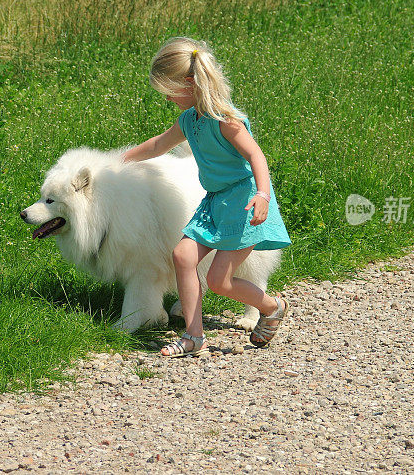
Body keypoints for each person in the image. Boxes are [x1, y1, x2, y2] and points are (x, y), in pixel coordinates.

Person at [122, 37, 292, 357]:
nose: (169, 98)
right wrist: (119, 160)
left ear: (189, 83)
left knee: (219, 281)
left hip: (243, 202)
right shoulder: (189, 120)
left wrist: (263, 196)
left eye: (170, 91)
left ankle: (272, 306)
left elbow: (257, 157)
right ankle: (193, 336)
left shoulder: (227, 121)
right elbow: (159, 145)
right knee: (183, 257)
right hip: (214, 201)